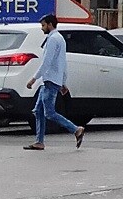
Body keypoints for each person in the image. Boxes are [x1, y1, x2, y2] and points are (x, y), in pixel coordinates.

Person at [26, 16, 83, 151]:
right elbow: (62, 62)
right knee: (38, 110)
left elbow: (47, 62)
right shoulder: (58, 38)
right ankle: (39, 142)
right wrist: (63, 81)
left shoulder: (53, 39)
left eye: (43, 25)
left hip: (50, 80)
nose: (42, 28)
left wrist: (34, 78)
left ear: (50, 24)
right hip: (50, 80)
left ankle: (75, 129)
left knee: (49, 113)